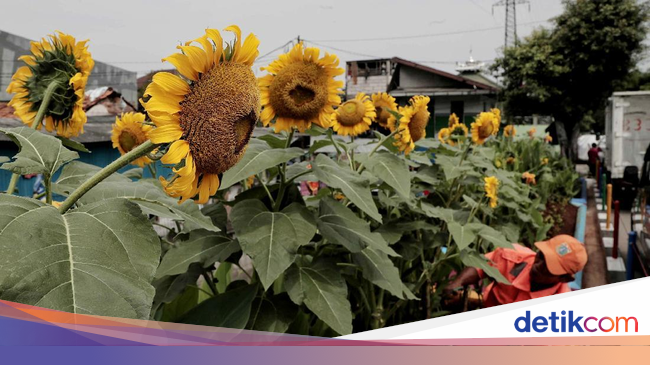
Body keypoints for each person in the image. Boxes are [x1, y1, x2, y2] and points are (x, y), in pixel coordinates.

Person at [444, 235, 588, 308]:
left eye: (548, 267)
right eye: (541, 256)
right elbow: (481, 265)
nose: (537, 266)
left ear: (564, 279)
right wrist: (456, 283)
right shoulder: (513, 257)